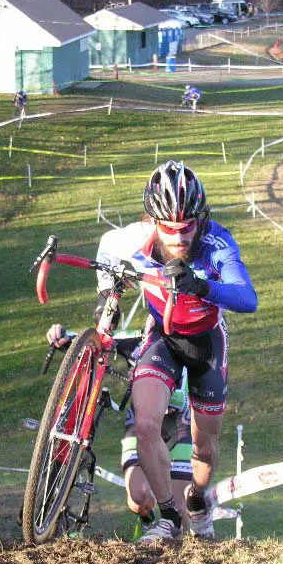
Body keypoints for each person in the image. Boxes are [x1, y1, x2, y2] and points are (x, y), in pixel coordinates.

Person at [95, 161, 256, 542]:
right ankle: (168, 516)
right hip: (163, 339)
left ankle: (198, 501)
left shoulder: (217, 243)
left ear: (201, 219)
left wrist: (202, 286)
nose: (180, 238)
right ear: (154, 222)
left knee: (204, 448)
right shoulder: (134, 238)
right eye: (169, 229)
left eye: (187, 228)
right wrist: (109, 297)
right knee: (147, 424)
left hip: (206, 346)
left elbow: (247, 298)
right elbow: (105, 252)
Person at [45, 323, 194, 531]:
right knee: (138, 498)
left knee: (180, 515)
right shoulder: (142, 340)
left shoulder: (197, 340)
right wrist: (61, 334)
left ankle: (175, 547)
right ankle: (149, 518)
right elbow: (97, 339)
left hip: (180, 427)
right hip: (141, 426)